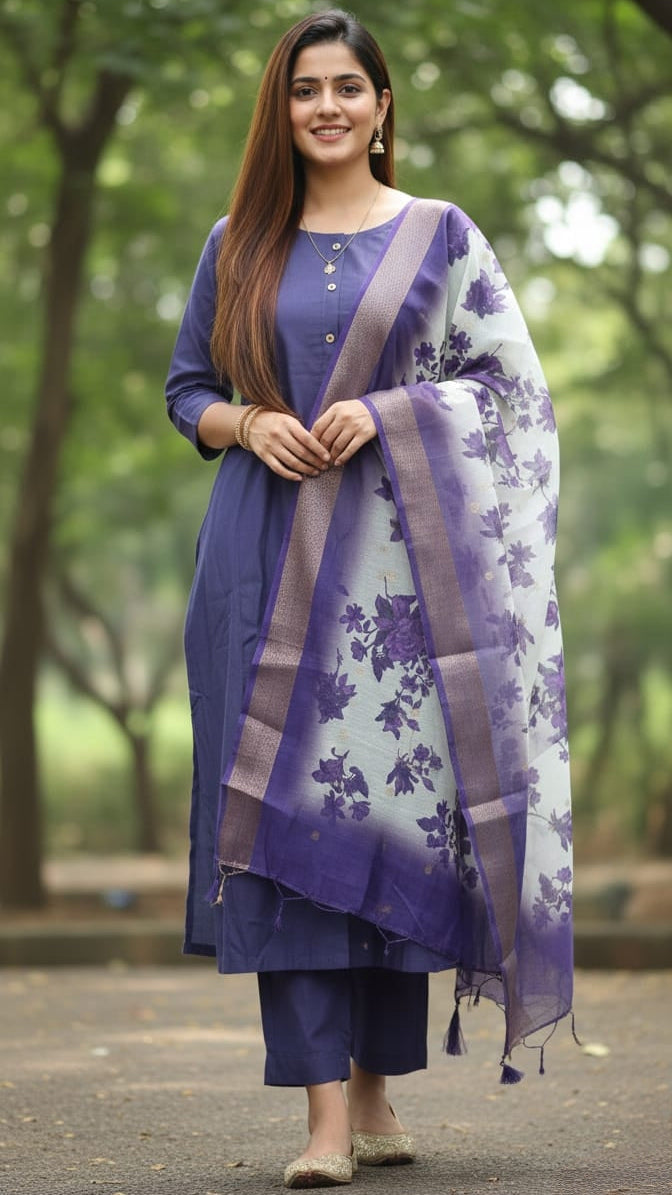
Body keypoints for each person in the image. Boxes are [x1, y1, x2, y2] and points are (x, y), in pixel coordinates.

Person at [166, 8, 573, 1188]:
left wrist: (392, 411)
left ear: (383, 106)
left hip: (398, 587)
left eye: (348, 86)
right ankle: (321, 1123)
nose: (328, 107)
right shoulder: (239, 241)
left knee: (384, 817)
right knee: (282, 827)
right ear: (280, 109)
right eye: (306, 90)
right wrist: (250, 421)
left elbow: (513, 393)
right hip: (261, 558)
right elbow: (186, 389)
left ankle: (377, 1090)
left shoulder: (443, 236)